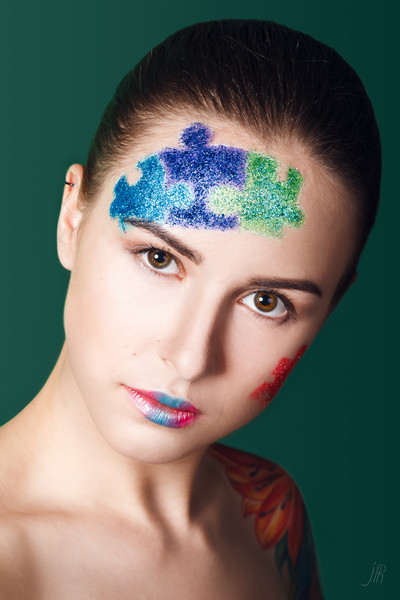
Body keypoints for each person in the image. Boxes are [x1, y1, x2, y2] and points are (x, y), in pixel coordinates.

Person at [0, 18, 380, 600]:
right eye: (158, 258)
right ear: (71, 220)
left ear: (331, 308)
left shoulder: (271, 512)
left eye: (266, 301)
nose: (189, 358)